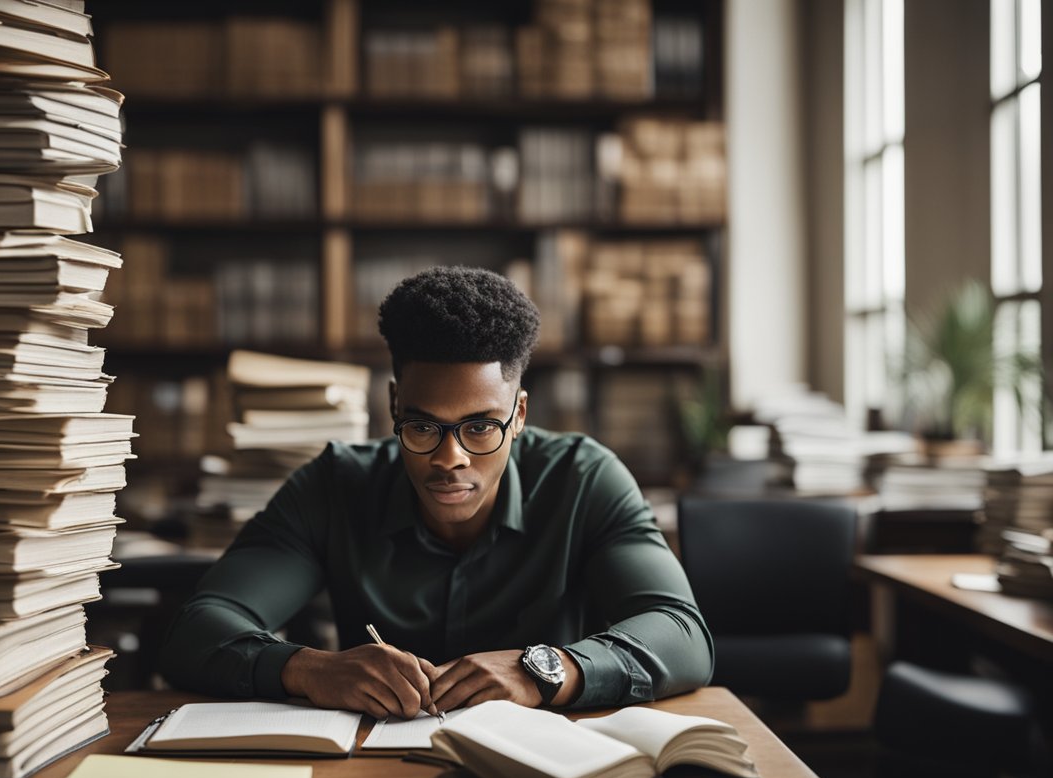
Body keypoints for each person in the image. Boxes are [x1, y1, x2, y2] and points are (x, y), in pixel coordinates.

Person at [159, 266, 713, 718]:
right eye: (423, 426)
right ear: (395, 406)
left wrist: (545, 669)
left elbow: (684, 636)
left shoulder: (583, 478)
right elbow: (196, 631)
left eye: (480, 427)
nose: (451, 459)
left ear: (518, 414)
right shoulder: (334, 485)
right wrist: (310, 669)